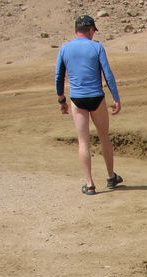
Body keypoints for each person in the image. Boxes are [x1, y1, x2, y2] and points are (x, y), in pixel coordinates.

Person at [54, 14, 122, 195]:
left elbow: (59, 77)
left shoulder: (65, 49)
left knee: (83, 141)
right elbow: (108, 74)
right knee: (104, 137)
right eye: (93, 31)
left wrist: (61, 100)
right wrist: (116, 98)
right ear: (90, 30)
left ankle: (90, 184)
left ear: (76, 30)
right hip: (96, 97)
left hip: (77, 99)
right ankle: (111, 177)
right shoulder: (97, 47)